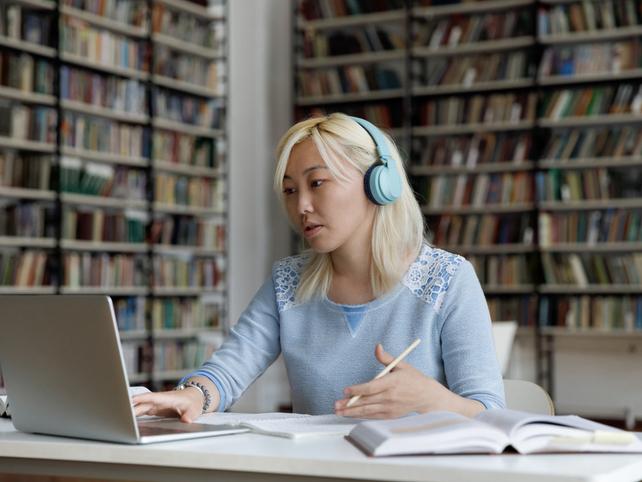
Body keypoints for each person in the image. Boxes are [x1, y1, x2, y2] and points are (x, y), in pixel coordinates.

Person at [133, 113, 505, 422]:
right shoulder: (287, 281)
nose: (302, 206)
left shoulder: (448, 278)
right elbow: (227, 371)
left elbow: (490, 413)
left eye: (318, 182)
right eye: (291, 190)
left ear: (379, 184)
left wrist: (433, 400)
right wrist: (194, 395)